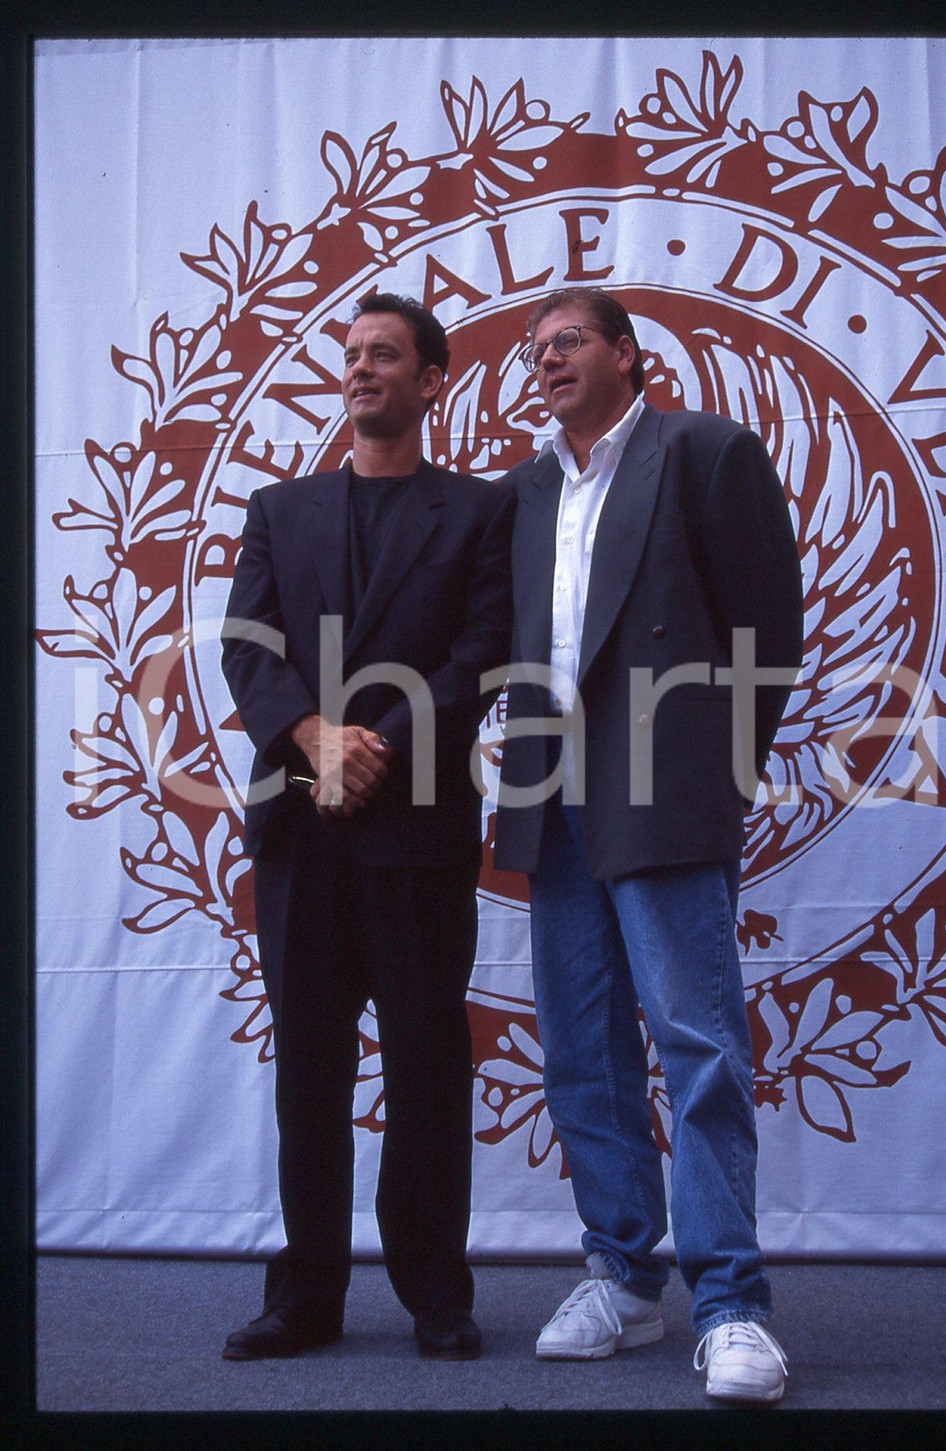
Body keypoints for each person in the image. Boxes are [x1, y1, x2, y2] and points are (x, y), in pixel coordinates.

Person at [493, 287, 803, 1402]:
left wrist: (713, 765)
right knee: (581, 1050)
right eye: (535, 350)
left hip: (664, 784)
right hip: (552, 793)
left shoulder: (706, 451)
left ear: (628, 355)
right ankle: (623, 1278)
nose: (547, 360)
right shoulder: (524, 489)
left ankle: (731, 1302)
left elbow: (770, 627)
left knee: (697, 1042)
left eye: (568, 340)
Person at [221, 293, 514, 1362]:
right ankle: (306, 1294)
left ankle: (436, 1290)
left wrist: (373, 744)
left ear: (431, 381)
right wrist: (313, 738)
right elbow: (247, 644)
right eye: (350, 353)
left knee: (427, 1061)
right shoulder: (278, 508)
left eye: (384, 354)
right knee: (309, 1065)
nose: (359, 368)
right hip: (302, 831)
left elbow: (482, 652)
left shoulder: (481, 511)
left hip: (418, 827)